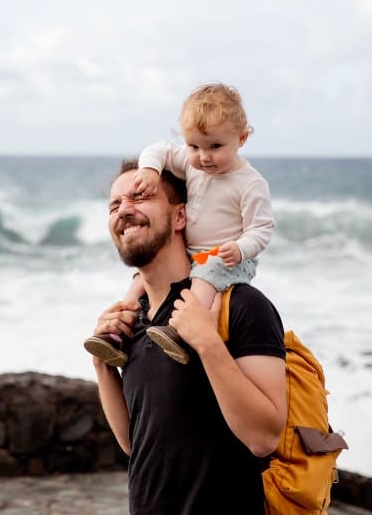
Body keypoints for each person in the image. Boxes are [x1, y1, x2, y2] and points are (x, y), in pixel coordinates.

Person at [91, 159, 287, 514]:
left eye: (139, 197)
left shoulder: (241, 305)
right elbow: (134, 445)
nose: (124, 210)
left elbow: (264, 437)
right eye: (114, 205)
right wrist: (102, 366)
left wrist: (208, 343)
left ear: (180, 217)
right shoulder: (133, 319)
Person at [84, 83, 274, 366]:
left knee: (203, 277)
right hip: (194, 252)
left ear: (242, 138)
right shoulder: (191, 163)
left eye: (215, 146)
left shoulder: (250, 184)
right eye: (193, 145)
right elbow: (158, 150)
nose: (204, 157)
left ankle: (179, 333)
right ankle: (118, 334)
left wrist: (241, 248)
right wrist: (150, 170)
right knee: (140, 282)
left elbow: (262, 228)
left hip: (227, 257)